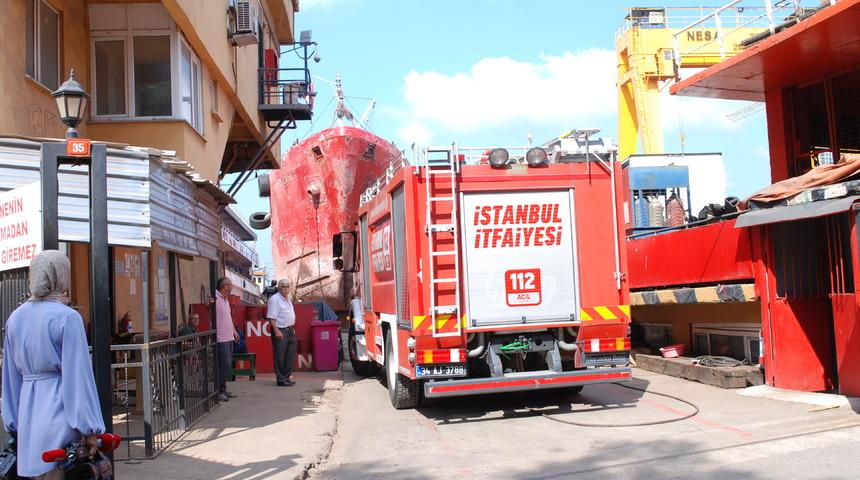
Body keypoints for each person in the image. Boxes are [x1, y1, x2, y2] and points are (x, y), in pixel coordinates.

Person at [2, 250, 105, 480]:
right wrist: (89, 429)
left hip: (28, 416)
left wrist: (14, 422)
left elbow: (9, 379)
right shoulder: (67, 318)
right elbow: (78, 378)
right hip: (60, 412)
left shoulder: (15, 319)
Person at [266, 279, 297, 387]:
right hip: (280, 329)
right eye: (284, 287)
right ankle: (281, 379)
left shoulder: (288, 298)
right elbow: (271, 317)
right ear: (279, 288)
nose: (286, 289)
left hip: (289, 329)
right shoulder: (275, 299)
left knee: (290, 355)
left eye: (288, 286)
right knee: (280, 355)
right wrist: (276, 330)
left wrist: (292, 327)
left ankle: (287, 377)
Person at [214, 277, 239, 402]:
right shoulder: (215, 298)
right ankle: (218, 391)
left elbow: (228, 317)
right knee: (224, 365)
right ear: (224, 286)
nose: (231, 287)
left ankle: (223, 389)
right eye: (230, 285)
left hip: (228, 336)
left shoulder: (225, 300)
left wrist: (234, 331)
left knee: (227, 365)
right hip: (221, 338)